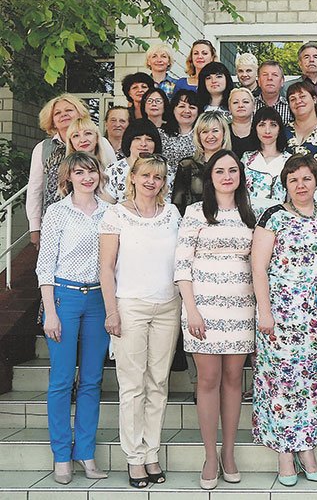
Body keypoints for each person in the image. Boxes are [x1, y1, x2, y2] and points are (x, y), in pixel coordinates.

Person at [251, 154, 317, 486]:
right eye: (293, 179)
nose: (300, 185)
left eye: (306, 178)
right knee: (282, 381)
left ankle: (306, 448)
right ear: (285, 184)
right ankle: (285, 452)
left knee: (310, 380)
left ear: (316, 181)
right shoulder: (273, 217)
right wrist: (265, 312)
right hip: (279, 314)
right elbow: (258, 268)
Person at [175, 150, 256, 489]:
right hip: (203, 310)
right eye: (219, 171)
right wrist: (191, 309)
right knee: (208, 380)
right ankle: (210, 455)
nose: (226, 176)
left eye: (232, 170)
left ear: (240, 176)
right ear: (210, 177)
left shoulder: (251, 213)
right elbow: (182, 265)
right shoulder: (195, 212)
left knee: (234, 379)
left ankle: (229, 453)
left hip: (241, 310)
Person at [99, 154, 181, 488]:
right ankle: (134, 458)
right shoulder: (115, 214)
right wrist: (111, 311)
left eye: (157, 177)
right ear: (132, 177)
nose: (151, 181)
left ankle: (151, 453)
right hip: (130, 306)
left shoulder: (172, 214)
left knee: (158, 383)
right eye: (145, 175)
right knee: (133, 385)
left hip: (168, 306)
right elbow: (106, 268)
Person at [36, 152, 111, 485]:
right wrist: (50, 311)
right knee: (62, 380)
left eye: (91, 171)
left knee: (92, 379)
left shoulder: (110, 212)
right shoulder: (57, 211)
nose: (86, 177)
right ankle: (61, 455)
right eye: (79, 172)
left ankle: (85, 452)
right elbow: (45, 265)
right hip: (64, 298)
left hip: (98, 299)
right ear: (68, 177)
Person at [172, 112, 231, 216]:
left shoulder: (233, 164)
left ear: (224, 133)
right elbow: (178, 204)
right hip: (193, 220)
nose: (210, 136)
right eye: (205, 132)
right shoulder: (186, 165)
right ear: (198, 136)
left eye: (215, 131)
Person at [241, 107, 289, 218]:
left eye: (273, 125)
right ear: (255, 128)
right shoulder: (247, 158)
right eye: (262, 125)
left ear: (279, 129)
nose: (267, 131)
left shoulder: (289, 160)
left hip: (278, 218)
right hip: (247, 217)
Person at [104, 119, 161, 202]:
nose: (143, 144)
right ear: (128, 141)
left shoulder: (165, 170)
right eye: (137, 139)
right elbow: (107, 205)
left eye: (149, 139)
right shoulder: (113, 170)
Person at [284, 81, 317, 161]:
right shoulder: (282, 131)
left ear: (314, 99)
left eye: (302, 96)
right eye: (293, 99)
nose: (298, 101)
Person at [161, 89, 199, 175]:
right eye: (182, 106)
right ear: (173, 109)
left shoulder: (203, 135)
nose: (187, 111)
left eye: (192, 107)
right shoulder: (160, 134)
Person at [254, 60, 291, 125]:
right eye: (265, 75)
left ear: (282, 81)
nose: (269, 78)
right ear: (259, 81)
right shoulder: (250, 106)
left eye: (275, 75)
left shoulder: (291, 107)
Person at [228, 87, 257, 158]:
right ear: (229, 108)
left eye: (245, 102)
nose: (240, 105)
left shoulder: (261, 131)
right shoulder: (222, 131)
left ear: (254, 106)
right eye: (235, 102)